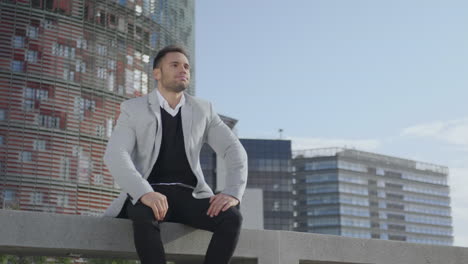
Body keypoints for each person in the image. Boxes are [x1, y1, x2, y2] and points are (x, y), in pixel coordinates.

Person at [102, 45, 248, 264]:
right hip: (151, 193)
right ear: (157, 73)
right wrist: (143, 193)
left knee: (232, 218)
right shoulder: (134, 109)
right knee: (143, 213)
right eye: (175, 65)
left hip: (191, 195)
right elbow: (115, 154)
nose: (184, 70)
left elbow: (233, 150)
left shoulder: (203, 109)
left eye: (187, 66)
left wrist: (233, 192)